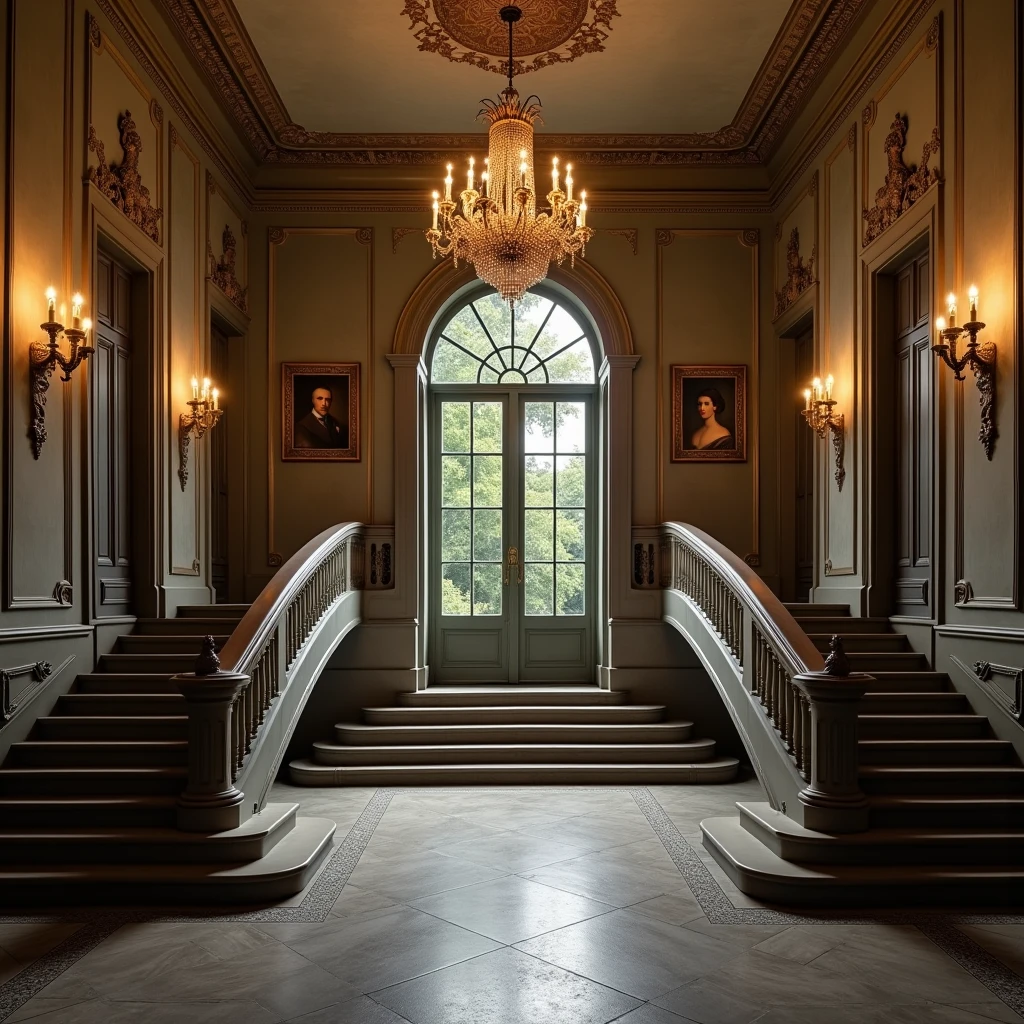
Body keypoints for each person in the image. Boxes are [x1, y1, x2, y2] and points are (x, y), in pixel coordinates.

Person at [294, 383, 347, 449]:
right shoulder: (302, 427)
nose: (324, 404)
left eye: (327, 399)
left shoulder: (336, 422)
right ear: (312, 400)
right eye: (320, 398)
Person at [690, 385, 734, 451]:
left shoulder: (723, 434)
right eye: (700, 404)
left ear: (715, 406)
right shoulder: (695, 434)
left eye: (706, 404)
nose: (702, 408)